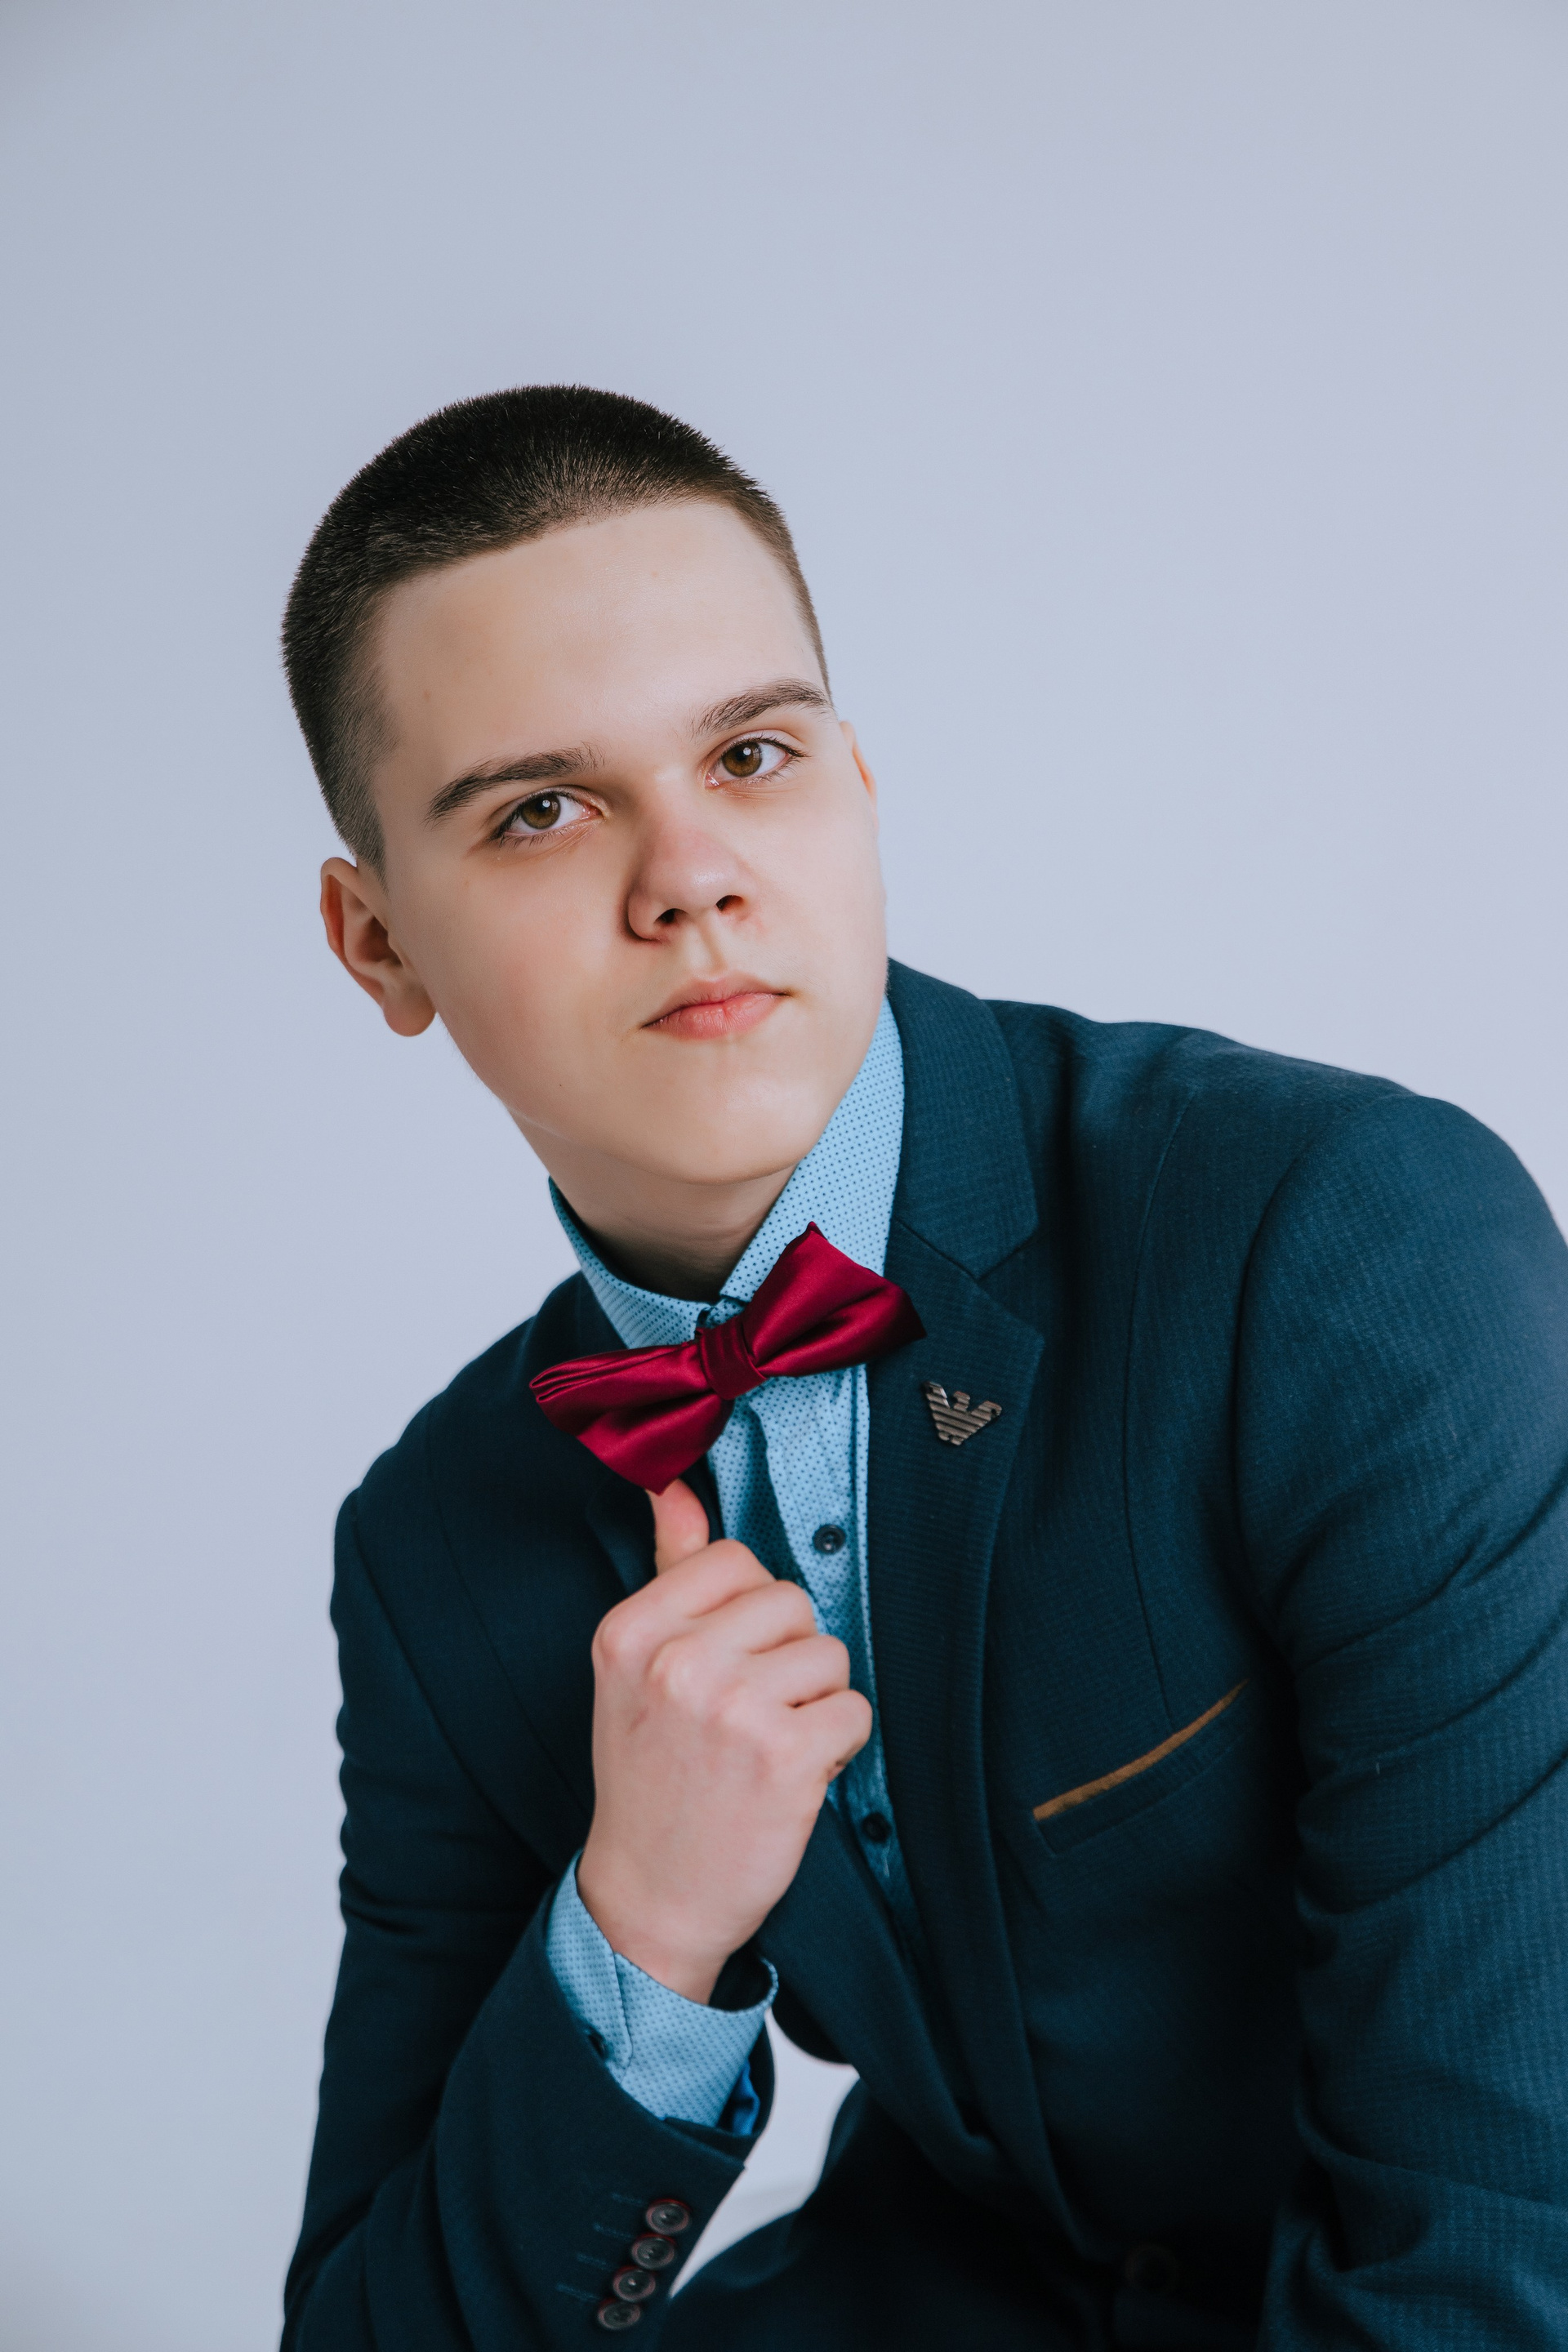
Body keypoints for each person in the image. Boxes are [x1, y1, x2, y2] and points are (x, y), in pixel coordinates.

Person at [278, 387, 1568, 2351]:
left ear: (858, 783)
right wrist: (642, 1929)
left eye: (752, 755)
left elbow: (1499, 2242)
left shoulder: (1342, 1243)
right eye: (542, 808)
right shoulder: (441, 1544)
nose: (690, 877)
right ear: (379, 944)